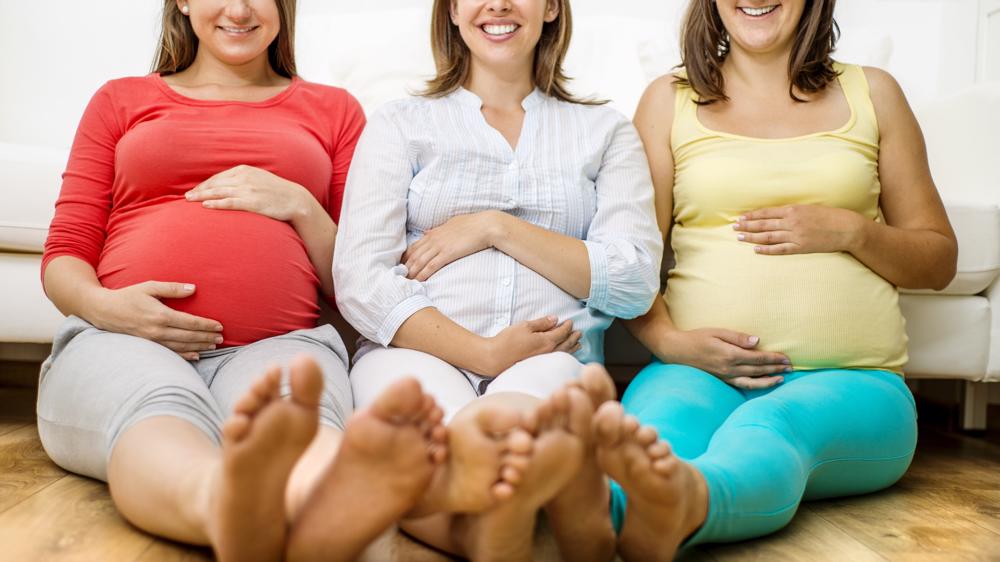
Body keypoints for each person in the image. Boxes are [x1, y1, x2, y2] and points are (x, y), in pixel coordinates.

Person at [36, 1, 472, 560]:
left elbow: (365, 278)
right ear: (184, 3)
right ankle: (227, 507)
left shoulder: (335, 111)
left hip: (282, 343)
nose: (239, 9)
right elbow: (67, 250)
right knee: (156, 406)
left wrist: (299, 205)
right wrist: (106, 308)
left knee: (299, 418)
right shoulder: (121, 100)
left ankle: (319, 507)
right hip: (125, 341)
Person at [589, 0, 959, 560]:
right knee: (656, 438)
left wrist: (852, 231)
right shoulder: (668, 100)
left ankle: (680, 511)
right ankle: (602, 517)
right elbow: (628, 257)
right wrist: (669, 341)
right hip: (697, 373)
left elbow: (938, 260)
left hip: (856, 384)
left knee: (773, 426)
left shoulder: (874, 92)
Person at [332, 0, 663, 559]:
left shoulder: (605, 131)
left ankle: (462, 515)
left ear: (553, 9)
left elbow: (631, 281)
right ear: (454, 11)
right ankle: (492, 535)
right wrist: (482, 353)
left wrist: (495, 228)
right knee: (446, 450)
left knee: (491, 446)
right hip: (415, 352)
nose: (500, 5)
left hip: (553, 357)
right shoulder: (399, 122)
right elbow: (361, 279)